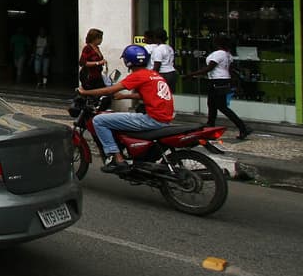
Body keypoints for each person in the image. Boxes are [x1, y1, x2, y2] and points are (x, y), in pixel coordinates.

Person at [77, 44, 175, 173]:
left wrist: (85, 92)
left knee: (99, 120)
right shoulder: (152, 74)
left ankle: (117, 158)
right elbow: (146, 94)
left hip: (152, 119)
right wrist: (124, 96)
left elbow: (110, 89)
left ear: (127, 61)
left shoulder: (138, 75)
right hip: (165, 118)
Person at [186, 37, 252, 140]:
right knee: (212, 104)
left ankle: (243, 127)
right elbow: (229, 70)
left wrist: (192, 74)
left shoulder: (219, 54)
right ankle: (210, 125)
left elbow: (210, 68)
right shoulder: (228, 55)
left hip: (218, 81)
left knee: (221, 106)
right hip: (222, 80)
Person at [147, 28, 177, 92]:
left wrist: (151, 78)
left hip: (163, 75)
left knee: (160, 95)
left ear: (156, 38)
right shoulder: (169, 48)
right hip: (172, 73)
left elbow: (157, 66)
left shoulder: (158, 49)